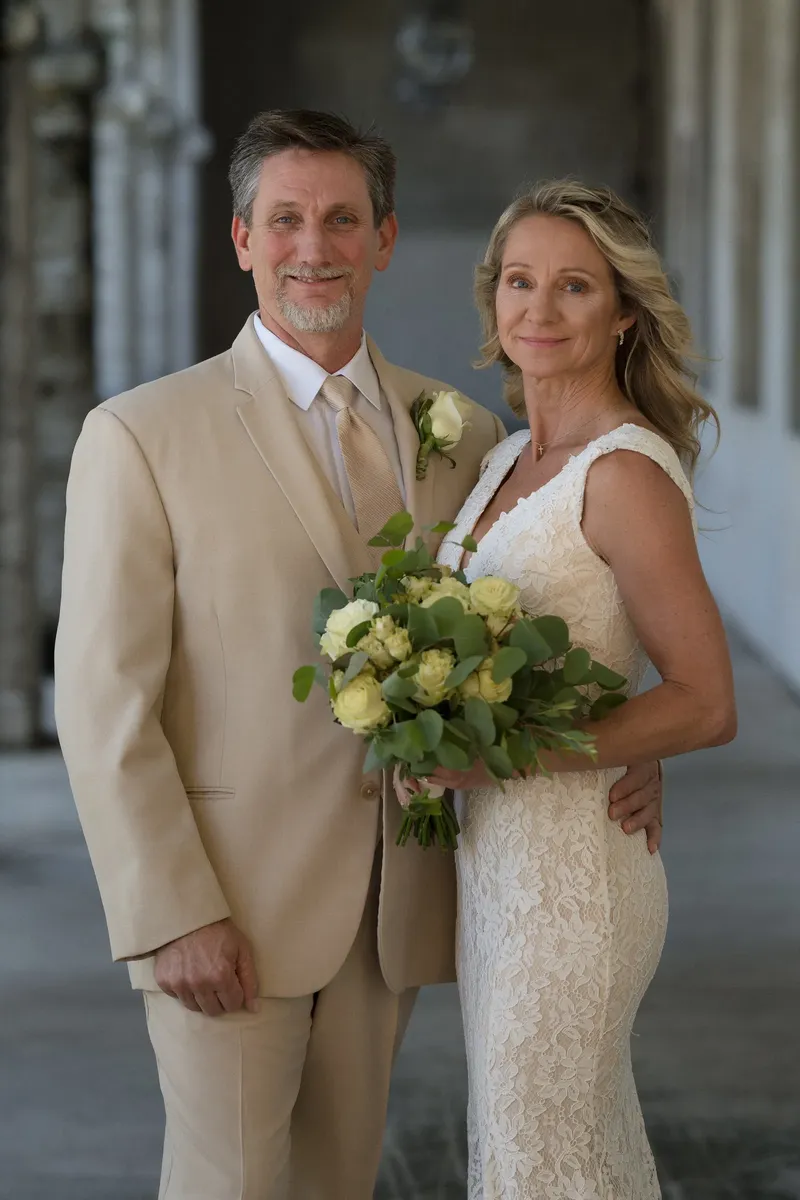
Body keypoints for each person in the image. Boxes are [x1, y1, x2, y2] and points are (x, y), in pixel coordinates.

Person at [54, 114, 663, 1200]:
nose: (313, 247)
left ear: (383, 240)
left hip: (399, 901)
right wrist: (169, 910)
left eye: (341, 219)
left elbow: (541, 612)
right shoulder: (140, 434)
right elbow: (103, 701)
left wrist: (619, 742)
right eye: (284, 219)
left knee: (339, 1185)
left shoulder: (465, 431)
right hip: (224, 908)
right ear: (240, 238)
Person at [430, 180, 737, 1198]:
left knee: (536, 1160)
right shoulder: (508, 457)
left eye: (573, 287)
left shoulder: (622, 474)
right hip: (497, 869)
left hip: (576, 887)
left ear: (622, 312)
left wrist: (498, 753)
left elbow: (701, 698)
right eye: (520, 282)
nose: (539, 309)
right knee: (561, 1154)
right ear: (492, 300)